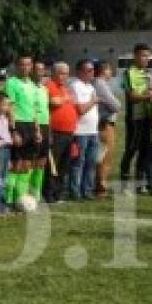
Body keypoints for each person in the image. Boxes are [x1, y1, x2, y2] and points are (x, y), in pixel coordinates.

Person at [119, 43, 152, 191]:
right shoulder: (128, 73)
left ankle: (140, 184)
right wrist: (148, 96)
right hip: (134, 118)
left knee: (145, 150)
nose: (146, 58)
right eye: (143, 55)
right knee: (131, 149)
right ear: (135, 56)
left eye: (148, 56)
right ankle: (124, 183)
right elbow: (132, 96)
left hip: (147, 117)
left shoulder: (148, 74)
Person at [4, 56, 38, 206]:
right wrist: (14, 130)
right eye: (22, 65)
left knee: (27, 164)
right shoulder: (11, 83)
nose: (25, 67)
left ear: (31, 67)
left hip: (30, 125)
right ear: (17, 66)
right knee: (16, 164)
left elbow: (34, 110)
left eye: (28, 65)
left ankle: (21, 199)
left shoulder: (32, 84)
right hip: (18, 125)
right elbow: (9, 108)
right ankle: (8, 200)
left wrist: (37, 129)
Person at [44, 62, 78, 204]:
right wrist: (65, 99)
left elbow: (69, 102)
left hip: (68, 132)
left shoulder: (64, 88)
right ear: (54, 73)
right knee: (53, 164)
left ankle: (58, 193)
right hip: (56, 132)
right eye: (62, 73)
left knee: (64, 164)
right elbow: (54, 102)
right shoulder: (49, 85)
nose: (65, 76)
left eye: (67, 73)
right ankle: (49, 194)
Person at [69, 60, 100, 201]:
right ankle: (75, 191)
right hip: (80, 132)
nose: (92, 73)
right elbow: (80, 109)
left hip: (93, 131)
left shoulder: (91, 87)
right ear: (79, 72)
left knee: (91, 162)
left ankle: (87, 190)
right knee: (78, 163)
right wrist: (93, 101)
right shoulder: (76, 86)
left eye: (93, 70)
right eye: (88, 70)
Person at [93, 61, 122, 196]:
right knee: (105, 157)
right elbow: (115, 105)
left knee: (102, 156)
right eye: (109, 69)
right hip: (104, 124)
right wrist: (116, 105)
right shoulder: (100, 83)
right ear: (103, 70)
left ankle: (99, 183)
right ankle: (100, 186)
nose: (111, 72)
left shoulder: (99, 84)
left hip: (102, 123)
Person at [31, 61, 51, 200]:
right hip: (34, 126)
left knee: (42, 161)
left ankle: (36, 195)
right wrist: (36, 128)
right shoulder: (30, 87)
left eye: (42, 69)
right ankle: (27, 193)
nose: (40, 72)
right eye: (37, 69)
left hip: (46, 126)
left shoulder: (44, 89)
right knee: (31, 161)